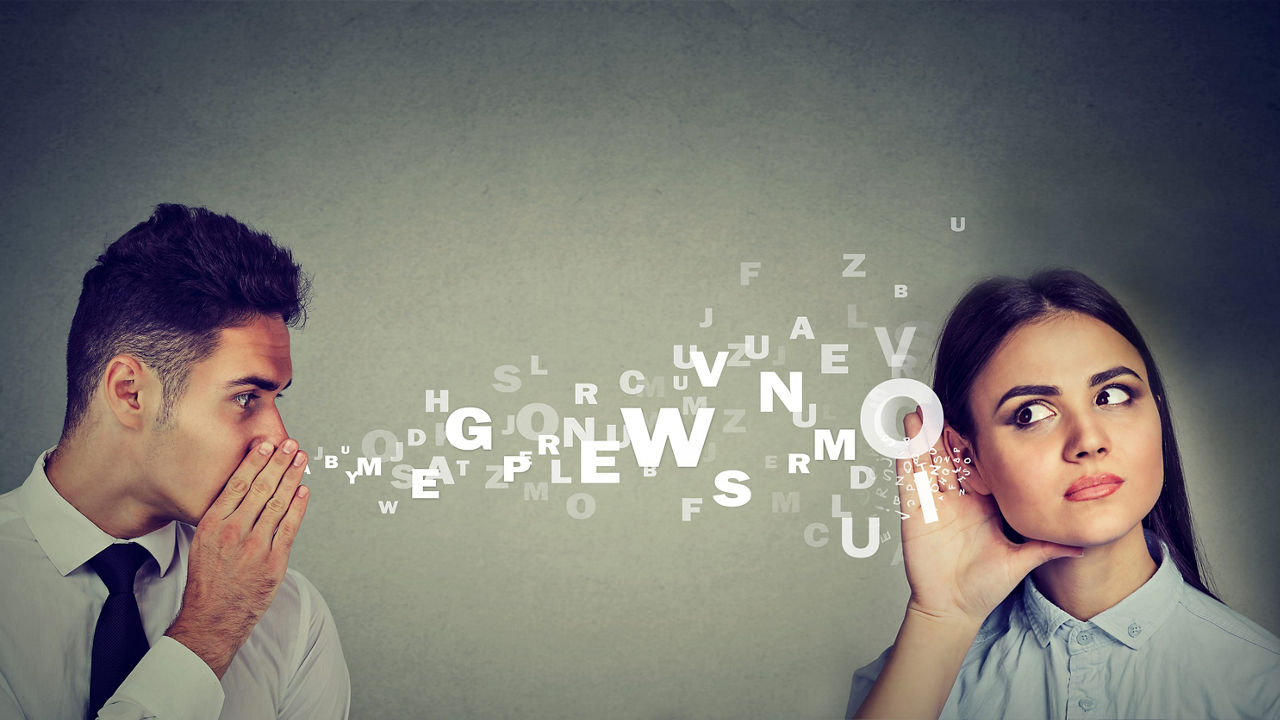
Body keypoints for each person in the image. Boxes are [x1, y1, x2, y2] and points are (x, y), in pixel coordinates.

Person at [846, 269, 1280, 719]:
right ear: (968, 460)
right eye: (1031, 413)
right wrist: (943, 616)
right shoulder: (911, 682)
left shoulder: (1262, 688)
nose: (1088, 440)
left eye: (1112, 395)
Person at [0, 205, 350, 719]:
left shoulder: (292, 618)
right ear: (130, 392)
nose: (279, 438)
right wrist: (208, 632)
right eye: (246, 397)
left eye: (278, 400)